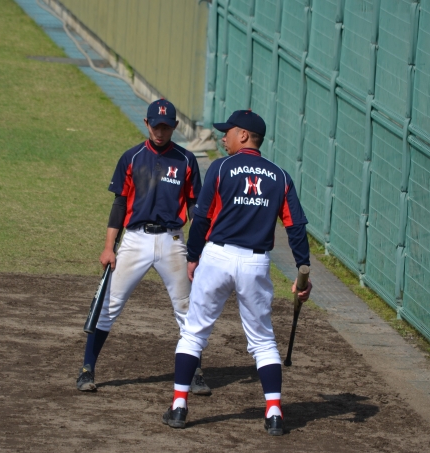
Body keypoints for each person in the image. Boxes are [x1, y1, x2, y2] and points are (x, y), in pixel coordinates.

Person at [161, 110, 313, 435]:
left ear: (243, 135)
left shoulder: (221, 167)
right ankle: (274, 413)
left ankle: (179, 407)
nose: (223, 137)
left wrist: (193, 256)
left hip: (217, 256)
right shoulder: (280, 176)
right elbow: (296, 227)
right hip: (256, 263)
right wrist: (304, 269)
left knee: (194, 333)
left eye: (228, 131)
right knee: (263, 340)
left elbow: (202, 218)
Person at [76, 99, 211, 396]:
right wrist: (109, 247)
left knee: (186, 309)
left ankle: (196, 372)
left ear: (175, 126)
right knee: (109, 305)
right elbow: (119, 204)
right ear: (147, 123)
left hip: (172, 241)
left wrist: (200, 246)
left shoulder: (186, 160)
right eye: (156, 126)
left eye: (166, 127)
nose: (160, 132)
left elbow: (194, 207)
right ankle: (87, 368)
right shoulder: (132, 157)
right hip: (135, 240)